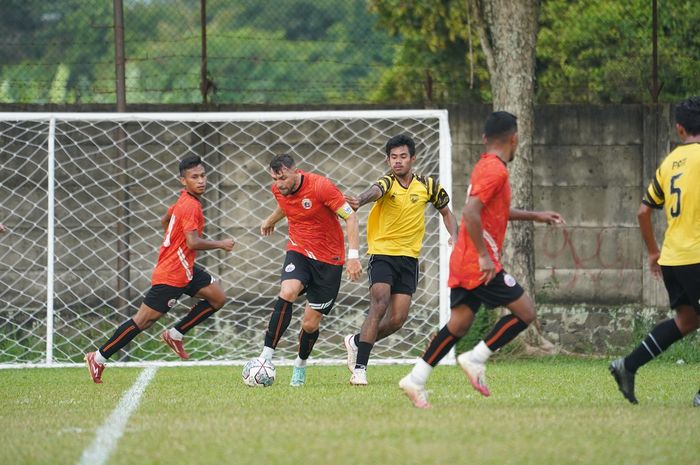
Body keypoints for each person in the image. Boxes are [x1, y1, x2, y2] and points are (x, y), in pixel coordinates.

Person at [398, 111, 564, 408]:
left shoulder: (487, 165)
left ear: (485, 139)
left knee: (458, 324)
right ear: (514, 139)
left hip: (466, 259)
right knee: (526, 312)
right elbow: (471, 213)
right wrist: (486, 258)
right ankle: (475, 359)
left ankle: (415, 379)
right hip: (478, 263)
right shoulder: (496, 171)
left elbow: (491, 211)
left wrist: (535, 215)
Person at [84, 155, 235, 383]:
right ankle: (98, 357)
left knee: (217, 297)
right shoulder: (190, 206)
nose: (201, 181)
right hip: (172, 275)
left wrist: (174, 242)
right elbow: (193, 242)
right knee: (143, 321)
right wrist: (220, 244)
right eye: (194, 177)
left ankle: (175, 334)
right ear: (183, 180)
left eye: (203, 176)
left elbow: (166, 220)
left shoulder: (183, 201)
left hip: (187, 268)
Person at [343, 133, 458, 385]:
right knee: (380, 302)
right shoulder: (387, 183)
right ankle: (360, 368)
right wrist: (360, 200)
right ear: (388, 160)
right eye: (393, 157)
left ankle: (355, 341)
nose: (398, 162)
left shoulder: (428, 186)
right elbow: (374, 191)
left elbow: (447, 212)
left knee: (397, 320)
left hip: (409, 259)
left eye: (403, 156)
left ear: (412, 159)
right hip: (383, 254)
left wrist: (455, 236)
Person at [609, 96, 700, 406]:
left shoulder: (670, 162)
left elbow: (643, 211)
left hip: (673, 257)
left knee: (686, 320)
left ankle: (627, 366)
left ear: (679, 129)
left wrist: (652, 251)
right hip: (697, 256)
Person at [255, 153, 362, 386]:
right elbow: (285, 207)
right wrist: (270, 220)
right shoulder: (279, 190)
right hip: (299, 251)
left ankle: (300, 364)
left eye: (283, 178)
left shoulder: (321, 187)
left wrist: (353, 257)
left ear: (296, 171)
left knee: (310, 324)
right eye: (275, 179)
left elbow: (350, 217)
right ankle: (266, 357)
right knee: (288, 291)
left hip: (329, 261)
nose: (279, 184)